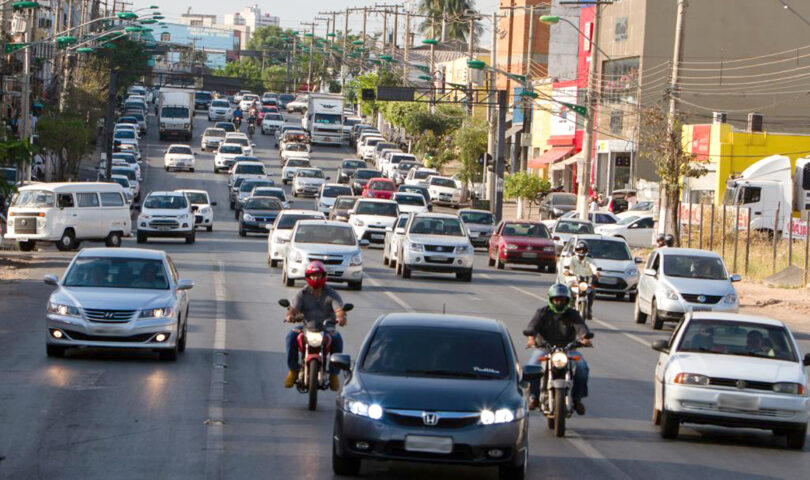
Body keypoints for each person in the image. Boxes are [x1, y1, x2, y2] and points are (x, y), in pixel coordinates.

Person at [524, 283, 592, 414]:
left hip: (568, 349)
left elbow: (581, 328)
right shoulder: (542, 312)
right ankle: (534, 397)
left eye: (562, 300)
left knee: (582, 368)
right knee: (532, 367)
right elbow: (532, 327)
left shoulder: (573, 314)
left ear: (567, 300)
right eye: (556, 299)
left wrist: (585, 338)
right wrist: (531, 338)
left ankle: (577, 399)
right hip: (544, 348)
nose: (559, 302)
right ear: (550, 299)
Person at [284, 261, 346, 391]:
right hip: (306, 327)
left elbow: (339, 309)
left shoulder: (331, 293)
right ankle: (293, 370)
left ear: (323, 276)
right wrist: (290, 315)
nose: (315, 278)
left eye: (318, 275)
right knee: (290, 336)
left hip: (326, 328)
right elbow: (293, 308)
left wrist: (340, 318)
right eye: (312, 275)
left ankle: (334, 374)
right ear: (308, 276)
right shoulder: (302, 293)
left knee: (337, 339)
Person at [563, 241, 599, 319]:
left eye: (583, 249)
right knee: (567, 288)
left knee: (593, 290)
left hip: (585, 281)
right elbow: (566, 269)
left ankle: (589, 309)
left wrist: (596, 273)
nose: (581, 251)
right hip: (573, 281)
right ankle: (570, 305)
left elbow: (594, 269)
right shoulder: (571, 259)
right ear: (576, 250)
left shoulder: (589, 260)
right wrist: (567, 272)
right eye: (579, 249)